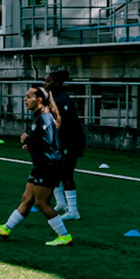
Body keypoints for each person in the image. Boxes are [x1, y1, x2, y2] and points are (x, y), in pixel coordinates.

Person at [0, 85, 72, 246]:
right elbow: (44, 143)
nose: (24, 99)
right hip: (42, 165)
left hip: (49, 166)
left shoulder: (45, 118)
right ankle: (6, 228)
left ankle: (64, 235)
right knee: (27, 198)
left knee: (41, 203)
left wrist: (28, 140)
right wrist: (31, 145)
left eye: (28, 96)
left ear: (39, 100)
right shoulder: (40, 118)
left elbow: (47, 144)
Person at [46, 67, 86, 220]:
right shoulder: (54, 97)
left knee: (66, 175)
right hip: (62, 142)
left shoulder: (61, 100)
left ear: (56, 83)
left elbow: (63, 125)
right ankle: (61, 203)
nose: (45, 83)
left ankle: (73, 211)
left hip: (70, 143)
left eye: (48, 81)